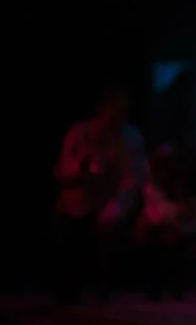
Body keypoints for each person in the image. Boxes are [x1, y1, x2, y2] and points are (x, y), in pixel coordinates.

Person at [51, 80, 148, 304]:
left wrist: (115, 208)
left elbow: (132, 181)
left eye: (123, 110)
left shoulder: (132, 139)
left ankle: (103, 291)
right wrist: (83, 170)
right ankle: (68, 293)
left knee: (111, 233)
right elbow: (64, 172)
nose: (118, 116)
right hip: (76, 204)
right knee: (69, 231)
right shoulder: (79, 134)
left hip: (111, 205)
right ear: (102, 108)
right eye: (114, 109)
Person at [134, 138, 196, 300]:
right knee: (149, 234)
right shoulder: (156, 161)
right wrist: (173, 213)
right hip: (166, 217)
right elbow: (152, 195)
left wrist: (195, 210)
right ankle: (156, 286)